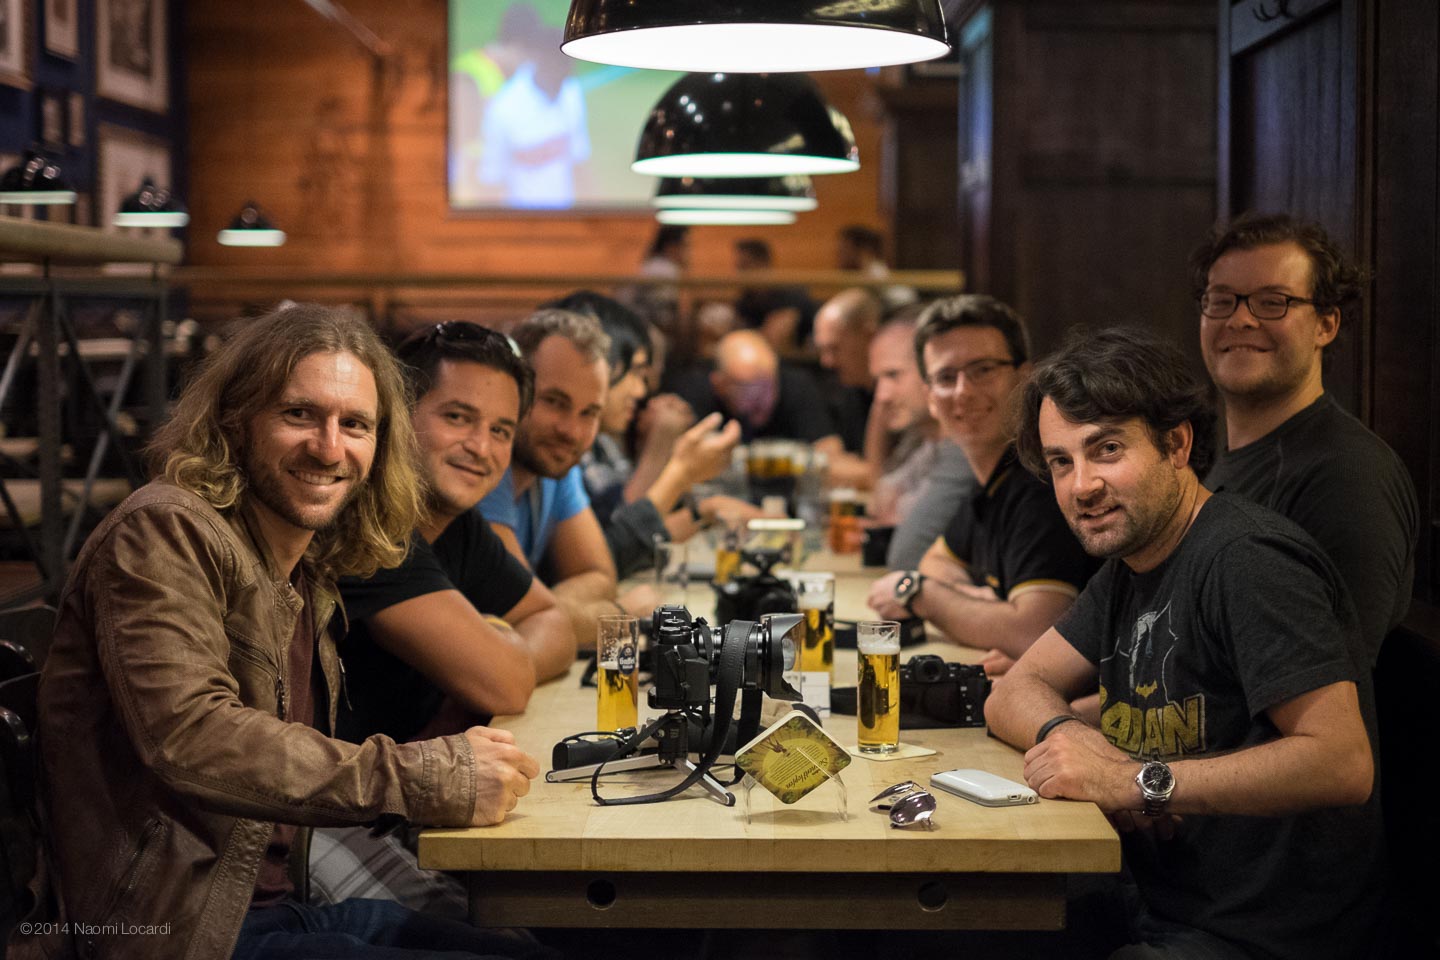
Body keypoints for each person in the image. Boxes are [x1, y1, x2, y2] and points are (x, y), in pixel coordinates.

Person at [13, 304, 548, 960]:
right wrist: (416, 776)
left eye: (354, 424)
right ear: (237, 419)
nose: (329, 448)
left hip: (269, 909)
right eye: (299, 414)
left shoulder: (307, 565)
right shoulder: (163, 532)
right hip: (171, 932)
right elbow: (191, 737)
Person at [987, 327, 1383, 960]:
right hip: (1153, 897)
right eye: (1062, 461)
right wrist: (1076, 739)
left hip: (1257, 934)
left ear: (1176, 444)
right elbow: (1014, 692)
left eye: (1107, 449)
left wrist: (1137, 782)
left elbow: (1341, 762)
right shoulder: (1131, 560)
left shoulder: (1246, 560)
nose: (1081, 486)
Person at [1192, 212, 1419, 666]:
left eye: (1272, 301)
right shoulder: (1204, 455)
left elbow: (1323, 681)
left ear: (1326, 325)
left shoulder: (1350, 475)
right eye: (1222, 301)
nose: (1240, 320)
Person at [868, 295, 1095, 667]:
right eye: (945, 377)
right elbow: (932, 563)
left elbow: (1034, 631)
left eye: (983, 370)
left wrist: (918, 594)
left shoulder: (1041, 483)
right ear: (929, 397)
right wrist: (979, 608)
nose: (963, 391)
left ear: (1025, 378)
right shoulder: (992, 482)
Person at [555, 291, 754, 578]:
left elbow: (624, 535)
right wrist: (674, 464)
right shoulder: (561, 449)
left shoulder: (601, 442)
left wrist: (704, 510)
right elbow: (613, 546)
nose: (643, 390)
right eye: (637, 373)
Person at [478, 308, 646, 646]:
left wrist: (552, 612)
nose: (571, 431)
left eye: (589, 413)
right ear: (516, 389)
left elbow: (599, 574)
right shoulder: (484, 469)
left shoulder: (554, 465)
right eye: (555, 402)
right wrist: (623, 614)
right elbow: (521, 614)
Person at [864, 311, 978, 569]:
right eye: (876, 380)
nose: (881, 395)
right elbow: (880, 507)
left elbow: (905, 555)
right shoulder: (924, 440)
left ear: (934, 370)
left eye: (893, 375)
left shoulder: (964, 450)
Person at [812, 287, 881, 455]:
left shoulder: (897, 394)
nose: (826, 362)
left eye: (834, 349)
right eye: (822, 351)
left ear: (870, 337)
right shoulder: (848, 391)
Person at [733, 237, 818, 351]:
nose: (740, 273)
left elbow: (774, 340)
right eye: (738, 267)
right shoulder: (747, 298)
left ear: (763, 264)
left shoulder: (789, 293)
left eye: (744, 266)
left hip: (799, 365)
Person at [835, 224, 917, 311]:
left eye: (845, 248)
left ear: (864, 249)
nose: (839, 253)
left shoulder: (875, 271)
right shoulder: (862, 272)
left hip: (901, 309)